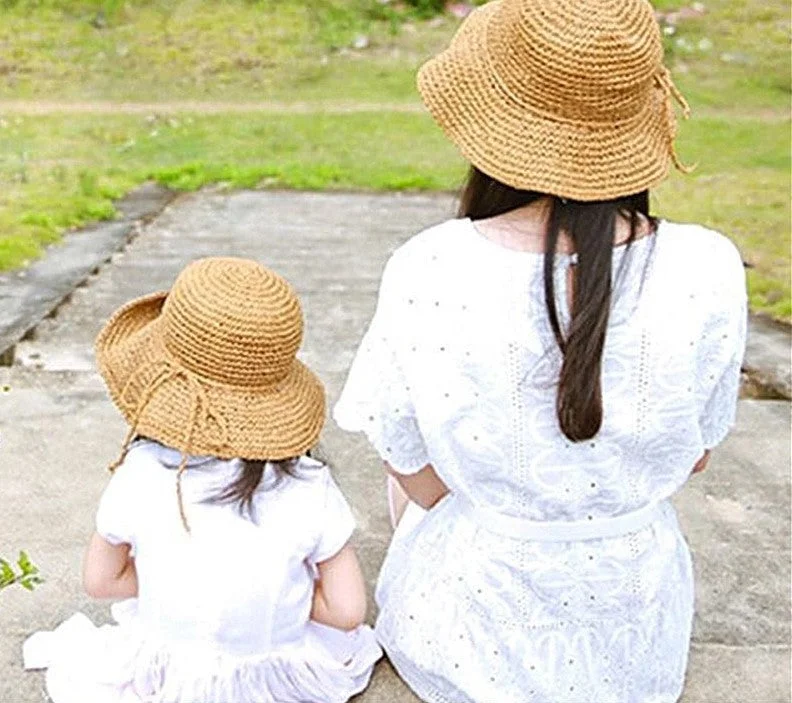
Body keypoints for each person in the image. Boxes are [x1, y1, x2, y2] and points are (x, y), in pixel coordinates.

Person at [333, 0, 747, 701]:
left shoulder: (430, 267)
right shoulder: (708, 265)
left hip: (469, 641)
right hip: (638, 641)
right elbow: (696, 451)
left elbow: (408, 463)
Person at [23, 257, 382, 703]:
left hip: (168, 673)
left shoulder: (140, 474)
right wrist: (269, 599)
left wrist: (174, 584)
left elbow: (101, 581)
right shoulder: (310, 486)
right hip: (276, 679)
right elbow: (348, 611)